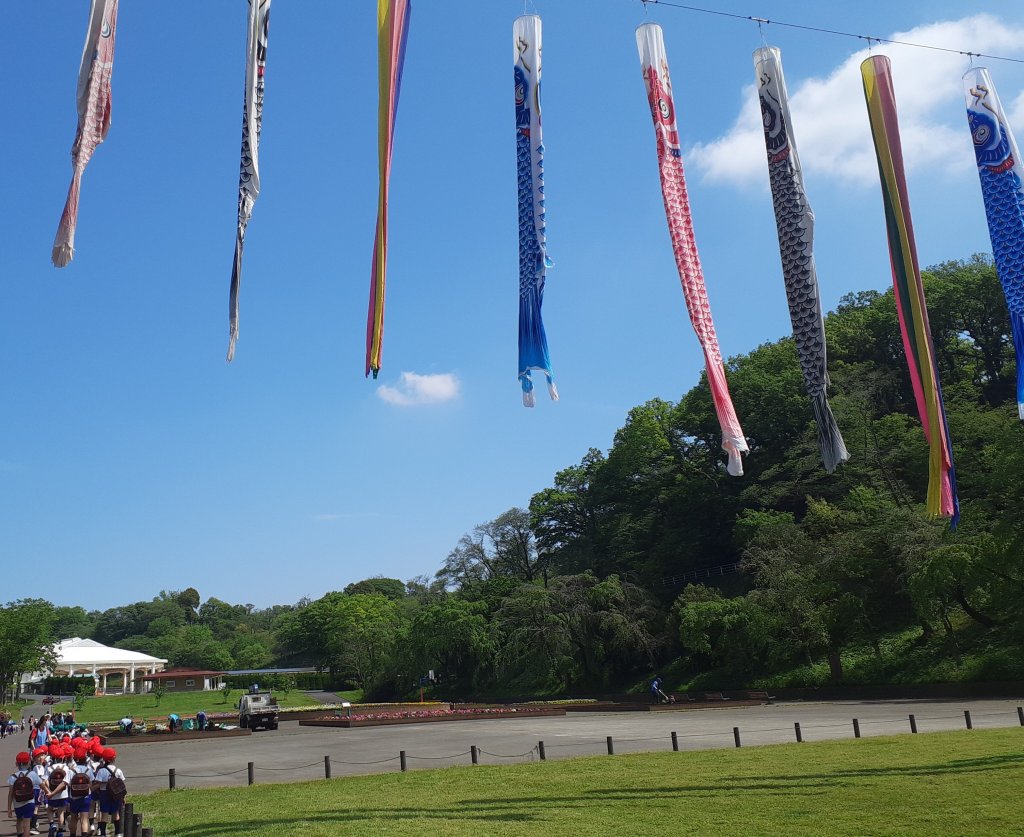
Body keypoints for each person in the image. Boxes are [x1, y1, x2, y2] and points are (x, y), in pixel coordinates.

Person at [8, 751, 43, 837]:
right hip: (29, 803)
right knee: (27, 825)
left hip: (17, 804)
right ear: (28, 763)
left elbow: (10, 794)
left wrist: (9, 808)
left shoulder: (13, 777)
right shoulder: (32, 774)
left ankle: (19, 835)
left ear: (17, 764)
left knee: (19, 820)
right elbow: (42, 784)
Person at [93, 749, 125, 837]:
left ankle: (103, 834)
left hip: (104, 794)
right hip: (116, 794)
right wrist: (123, 797)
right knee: (116, 813)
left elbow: (98, 784)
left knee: (104, 814)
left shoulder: (101, 771)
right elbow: (122, 784)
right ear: (114, 758)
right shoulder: (118, 770)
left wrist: (90, 789)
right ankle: (118, 833)